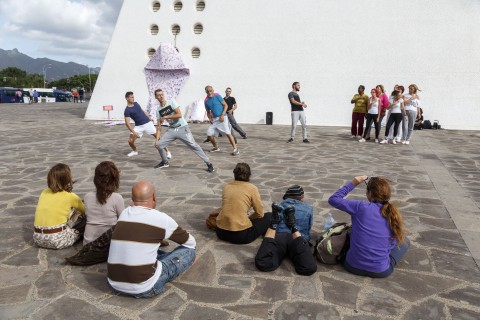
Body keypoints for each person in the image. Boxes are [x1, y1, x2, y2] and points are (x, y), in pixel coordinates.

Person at [107, 181, 196, 298]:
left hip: (114, 284)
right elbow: (190, 242)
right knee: (189, 252)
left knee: (141, 248)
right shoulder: (161, 218)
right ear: (154, 196)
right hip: (145, 287)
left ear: (132, 199)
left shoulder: (124, 213)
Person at [328, 176, 410, 278]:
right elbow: (392, 242)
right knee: (405, 241)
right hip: (380, 271)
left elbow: (333, 199)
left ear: (369, 193)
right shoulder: (393, 215)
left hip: (352, 266)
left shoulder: (360, 206)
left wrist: (354, 182)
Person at [255, 185, 317, 275]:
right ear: (302, 197)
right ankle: (293, 227)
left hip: (279, 236)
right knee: (308, 268)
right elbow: (308, 228)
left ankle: (273, 224)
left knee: (264, 264)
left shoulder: (280, 205)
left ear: (286, 196)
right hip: (297, 238)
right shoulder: (308, 208)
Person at [153, 89, 215, 172]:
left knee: (194, 145)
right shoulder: (158, 110)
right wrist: (156, 140)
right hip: (172, 129)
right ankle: (165, 162)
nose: (161, 96)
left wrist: (166, 117)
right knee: (159, 145)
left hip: (182, 128)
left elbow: (179, 115)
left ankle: (209, 163)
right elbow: (159, 127)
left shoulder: (171, 102)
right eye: (158, 95)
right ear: (156, 97)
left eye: (162, 94)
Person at [215, 163, 271, 244]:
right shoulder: (252, 188)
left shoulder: (226, 186)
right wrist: (249, 218)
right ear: (249, 175)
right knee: (269, 216)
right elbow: (259, 213)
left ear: (234, 174)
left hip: (220, 232)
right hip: (241, 235)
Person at [33, 163, 86, 249]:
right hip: (58, 240)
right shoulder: (71, 196)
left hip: (37, 238)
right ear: (67, 179)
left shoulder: (44, 192)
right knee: (85, 220)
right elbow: (85, 211)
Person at [83, 161, 124, 245]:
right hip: (108, 244)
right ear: (115, 180)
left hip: (88, 243)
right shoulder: (117, 198)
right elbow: (122, 220)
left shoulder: (87, 196)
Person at [123, 91, 171, 158]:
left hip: (148, 123)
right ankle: (134, 151)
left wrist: (149, 117)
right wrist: (133, 132)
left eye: (133, 97)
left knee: (158, 137)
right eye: (131, 97)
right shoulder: (127, 110)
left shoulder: (136, 104)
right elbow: (127, 123)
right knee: (130, 141)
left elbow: (143, 111)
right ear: (127, 98)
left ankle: (168, 152)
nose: (133, 98)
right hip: (138, 126)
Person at [204, 85, 239, 155]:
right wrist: (210, 118)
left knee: (228, 133)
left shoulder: (217, 96)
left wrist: (222, 115)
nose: (209, 92)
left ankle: (236, 149)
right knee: (209, 134)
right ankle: (216, 147)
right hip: (214, 119)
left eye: (211, 91)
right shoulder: (206, 101)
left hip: (223, 117)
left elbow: (225, 105)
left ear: (213, 90)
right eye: (208, 91)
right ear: (206, 92)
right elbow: (208, 112)